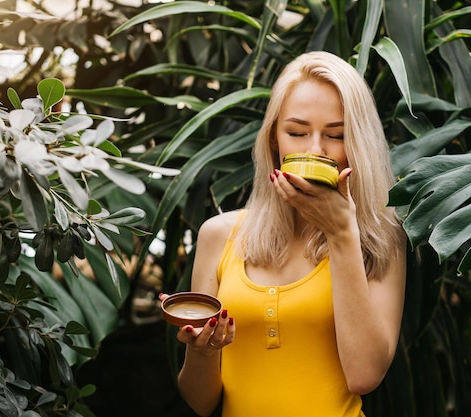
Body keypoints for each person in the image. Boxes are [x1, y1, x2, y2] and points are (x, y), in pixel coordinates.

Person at [159, 50, 406, 417]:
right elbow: (201, 401)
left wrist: (341, 235)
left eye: (336, 135)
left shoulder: (380, 238)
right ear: (274, 140)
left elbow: (364, 375)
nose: (315, 150)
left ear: (358, 146)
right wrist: (203, 350)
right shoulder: (220, 235)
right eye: (296, 132)